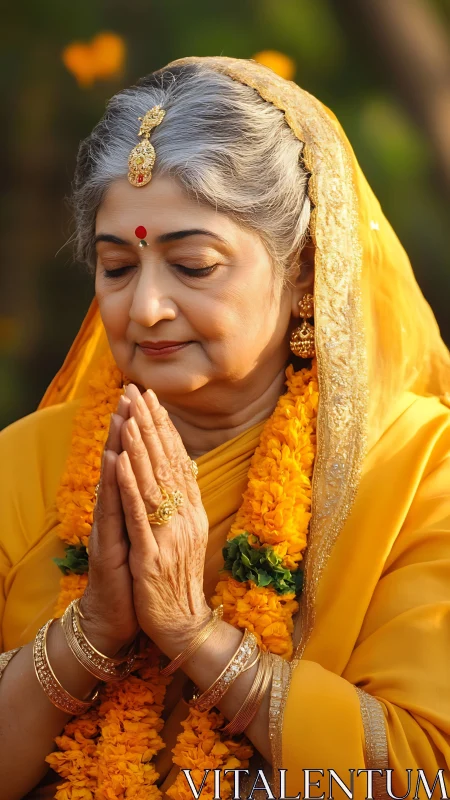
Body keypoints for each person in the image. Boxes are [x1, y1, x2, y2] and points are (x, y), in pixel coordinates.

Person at [0, 56, 449, 800]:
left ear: (306, 272)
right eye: (117, 268)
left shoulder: (418, 473)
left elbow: (424, 773)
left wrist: (193, 635)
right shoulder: (23, 466)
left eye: (194, 265)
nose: (144, 308)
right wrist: (89, 634)